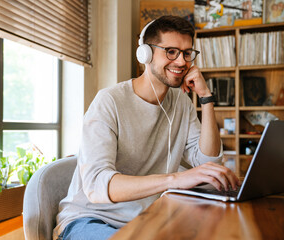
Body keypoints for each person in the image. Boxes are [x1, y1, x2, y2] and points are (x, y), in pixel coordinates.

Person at [54, 15, 240, 240]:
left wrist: (206, 97)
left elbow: (208, 163)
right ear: (146, 54)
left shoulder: (180, 102)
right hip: (90, 219)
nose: (181, 61)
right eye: (171, 51)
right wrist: (175, 179)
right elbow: (96, 185)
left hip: (148, 218)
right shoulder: (109, 101)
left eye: (187, 53)